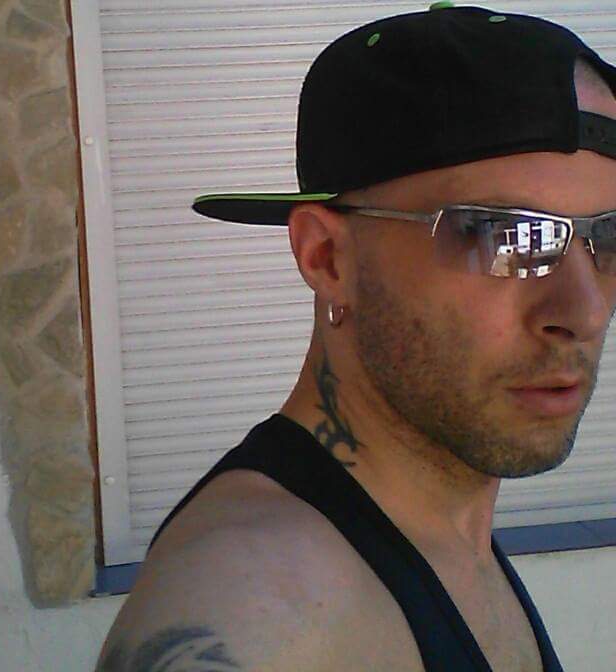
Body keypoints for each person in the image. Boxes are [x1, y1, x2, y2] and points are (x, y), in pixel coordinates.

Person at [97, 4, 616, 671]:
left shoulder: (446, 525)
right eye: (506, 235)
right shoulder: (255, 609)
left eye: (610, 237)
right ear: (328, 259)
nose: (586, 311)